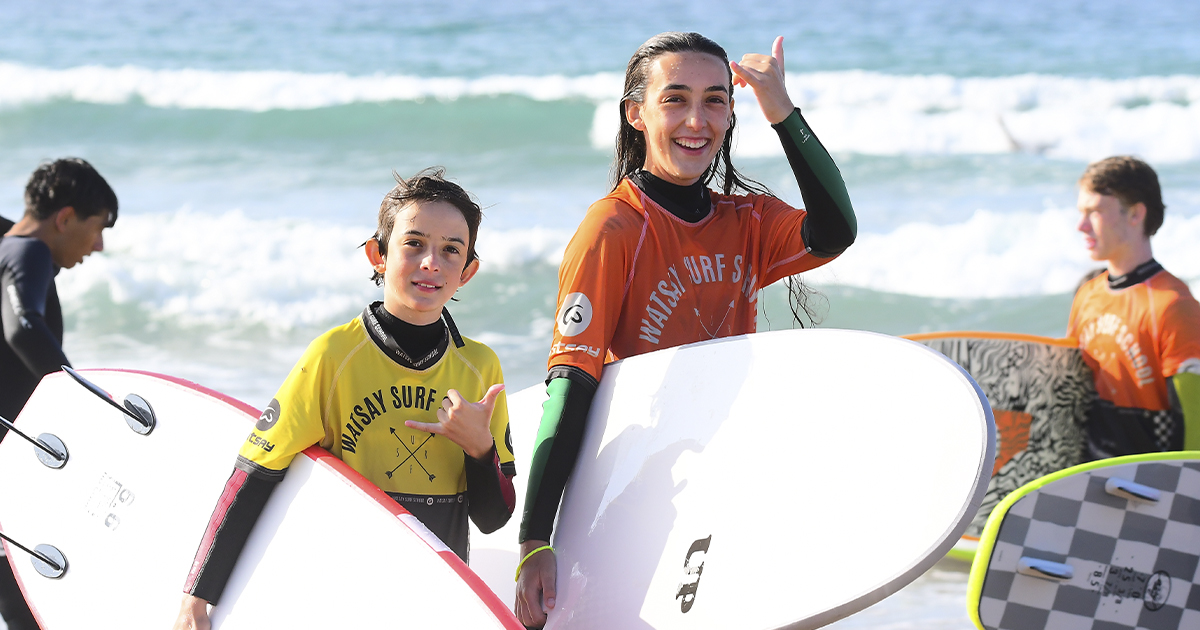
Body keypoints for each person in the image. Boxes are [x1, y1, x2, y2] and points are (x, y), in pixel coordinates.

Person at [514, 33, 857, 627]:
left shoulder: (745, 221)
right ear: (635, 113)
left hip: (726, 474)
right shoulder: (614, 228)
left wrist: (783, 113)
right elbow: (571, 382)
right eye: (675, 99)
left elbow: (834, 231)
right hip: (636, 488)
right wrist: (535, 538)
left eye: (716, 100)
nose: (697, 120)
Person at [172, 168, 517, 630]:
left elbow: (494, 518)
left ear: (468, 271)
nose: (432, 262)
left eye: (451, 250)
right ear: (378, 254)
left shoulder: (480, 368)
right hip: (344, 595)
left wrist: (480, 450)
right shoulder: (334, 356)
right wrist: (196, 599)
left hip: (435, 601)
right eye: (413, 243)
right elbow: (255, 473)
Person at [0, 157, 117, 630]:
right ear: (65, 218)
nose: (100, 245)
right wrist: (77, 397)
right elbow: (22, 327)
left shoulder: (8, 247)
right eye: (97, 228)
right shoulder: (27, 253)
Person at [1067, 156, 1200, 459]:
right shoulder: (1087, 294)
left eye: (1095, 212)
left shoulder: (1174, 306)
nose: (1081, 225)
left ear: (1136, 214)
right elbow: (1071, 395)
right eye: (1080, 213)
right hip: (1086, 479)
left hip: (1149, 485)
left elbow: (1196, 424)